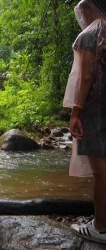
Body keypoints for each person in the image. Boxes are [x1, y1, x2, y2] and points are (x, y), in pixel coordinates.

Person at [63, 0, 106, 244]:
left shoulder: (92, 33)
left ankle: (100, 227)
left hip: (98, 110)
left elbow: (85, 76)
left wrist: (76, 112)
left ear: (90, 7)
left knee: (101, 169)